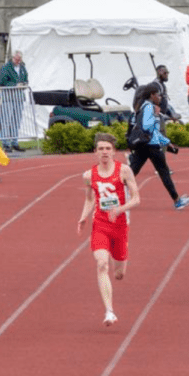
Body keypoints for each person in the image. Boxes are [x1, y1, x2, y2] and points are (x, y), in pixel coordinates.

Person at [77, 133, 140, 327]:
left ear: (114, 151)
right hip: (101, 225)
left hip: (120, 225)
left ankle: (120, 265)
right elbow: (90, 199)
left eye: (108, 148)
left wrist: (120, 209)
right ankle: (109, 311)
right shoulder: (89, 175)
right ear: (95, 152)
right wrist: (83, 216)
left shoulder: (124, 171)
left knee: (119, 273)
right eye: (101, 148)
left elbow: (136, 199)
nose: (104, 152)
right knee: (102, 264)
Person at [129, 84, 189, 210]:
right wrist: (165, 140)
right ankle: (178, 201)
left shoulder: (141, 106)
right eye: (158, 94)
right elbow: (148, 128)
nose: (160, 97)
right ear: (152, 95)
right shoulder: (149, 107)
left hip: (142, 145)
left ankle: (112, 195)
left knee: (131, 172)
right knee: (164, 173)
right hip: (152, 145)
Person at [0, 50, 29, 152]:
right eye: (16, 59)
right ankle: (6, 143)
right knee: (6, 120)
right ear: (12, 58)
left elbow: (26, 79)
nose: (18, 61)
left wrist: (24, 84)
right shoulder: (6, 67)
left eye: (19, 59)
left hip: (19, 97)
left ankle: (15, 141)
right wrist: (14, 85)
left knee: (16, 121)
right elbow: (2, 81)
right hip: (8, 97)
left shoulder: (23, 67)